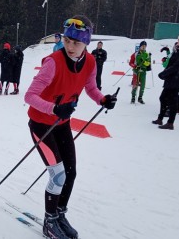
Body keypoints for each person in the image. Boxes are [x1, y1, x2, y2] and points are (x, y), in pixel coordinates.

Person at [24, 15, 117, 239]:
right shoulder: (53, 63)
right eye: (67, 40)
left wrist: (103, 99)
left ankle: (59, 214)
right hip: (41, 125)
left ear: (87, 42)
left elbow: (91, 88)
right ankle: (49, 222)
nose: (70, 46)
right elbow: (30, 95)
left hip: (61, 124)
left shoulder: (91, 62)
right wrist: (54, 109)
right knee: (57, 176)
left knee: (71, 172)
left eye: (76, 42)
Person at [152, 31, 179, 130]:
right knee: (163, 98)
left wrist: (164, 73)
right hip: (170, 78)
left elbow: (177, 66)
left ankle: (170, 123)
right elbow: (170, 64)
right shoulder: (177, 49)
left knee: (172, 101)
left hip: (177, 80)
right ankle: (160, 118)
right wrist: (165, 73)